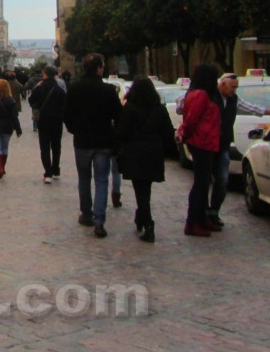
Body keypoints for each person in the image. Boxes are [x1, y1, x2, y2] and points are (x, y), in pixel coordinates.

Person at [63, 53, 123, 238]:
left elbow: (67, 114)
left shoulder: (74, 88)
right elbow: (118, 116)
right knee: (102, 180)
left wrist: (74, 129)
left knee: (84, 179)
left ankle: (86, 214)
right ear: (98, 68)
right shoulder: (108, 90)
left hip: (82, 141)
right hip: (103, 141)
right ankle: (99, 220)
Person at [115, 77, 175, 243]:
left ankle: (147, 223)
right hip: (153, 152)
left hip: (135, 152)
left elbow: (121, 132)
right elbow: (168, 133)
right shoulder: (160, 109)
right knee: (145, 188)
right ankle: (141, 216)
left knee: (140, 188)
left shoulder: (130, 108)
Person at [176, 64, 222, 237]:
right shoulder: (200, 95)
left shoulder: (200, 94)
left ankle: (201, 219)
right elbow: (192, 119)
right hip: (201, 143)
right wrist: (184, 134)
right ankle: (193, 222)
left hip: (206, 143)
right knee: (200, 185)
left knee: (203, 184)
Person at [208, 72, 240, 227]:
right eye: (233, 87)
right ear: (222, 84)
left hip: (223, 145)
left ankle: (214, 211)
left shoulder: (233, 99)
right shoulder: (209, 95)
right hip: (207, 145)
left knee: (222, 180)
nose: (234, 90)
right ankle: (203, 212)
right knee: (203, 180)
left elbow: (252, 108)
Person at [28, 66, 66, 184]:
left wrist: (38, 106)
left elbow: (31, 101)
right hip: (57, 121)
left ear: (44, 74)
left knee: (44, 147)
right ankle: (56, 170)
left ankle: (47, 173)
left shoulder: (39, 87)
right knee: (56, 146)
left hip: (43, 121)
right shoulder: (60, 90)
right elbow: (65, 105)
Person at [0, 79, 22, 178]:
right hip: (7, 127)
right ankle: (2, 167)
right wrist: (18, 129)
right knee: (5, 148)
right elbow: (14, 117)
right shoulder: (11, 101)